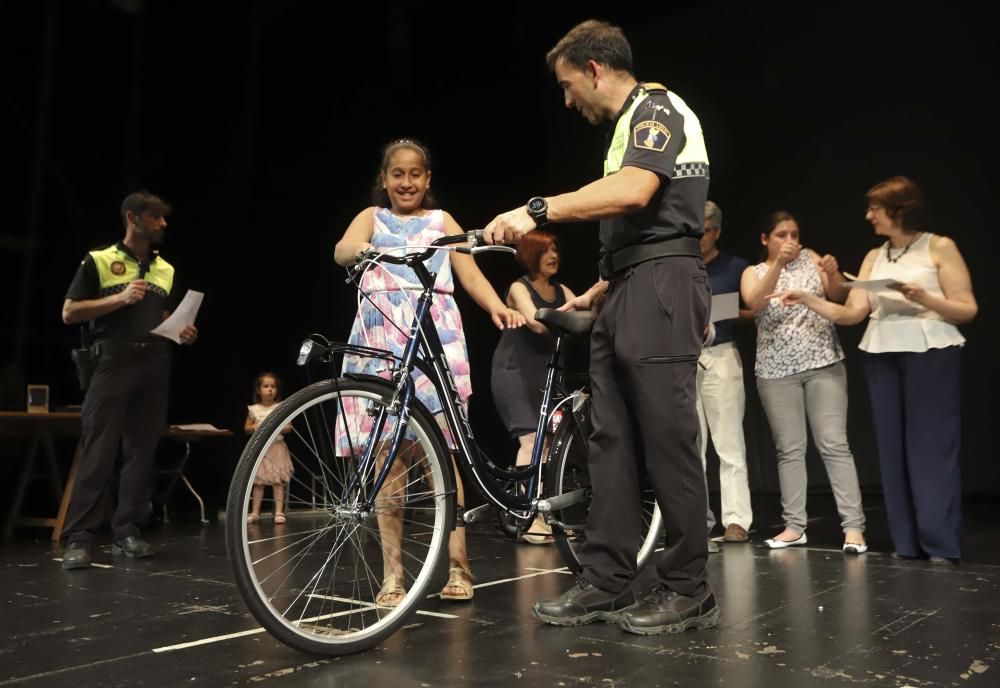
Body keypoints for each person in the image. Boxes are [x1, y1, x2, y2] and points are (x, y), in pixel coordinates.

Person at [484, 20, 719, 635]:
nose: (567, 100)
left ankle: (689, 588)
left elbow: (637, 192)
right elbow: (631, 215)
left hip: (664, 287)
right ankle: (607, 580)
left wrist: (535, 210)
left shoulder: (658, 108)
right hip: (629, 288)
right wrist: (603, 287)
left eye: (568, 85)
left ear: (594, 69)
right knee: (608, 440)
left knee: (668, 439)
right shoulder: (626, 130)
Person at [333, 138, 525, 603]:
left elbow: (470, 272)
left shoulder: (441, 223)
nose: (406, 182)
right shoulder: (372, 218)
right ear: (385, 178)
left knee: (441, 457)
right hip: (381, 344)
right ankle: (393, 577)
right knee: (387, 460)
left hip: (434, 341)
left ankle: (460, 569)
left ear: (428, 178)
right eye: (397, 174)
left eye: (415, 174)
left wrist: (498, 307)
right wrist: (364, 252)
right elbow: (343, 249)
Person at [769, 177, 976, 565]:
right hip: (882, 352)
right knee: (892, 450)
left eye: (875, 210)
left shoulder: (939, 246)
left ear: (898, 210)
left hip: (930, 350)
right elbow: (851, 313)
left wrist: (924, 296)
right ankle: (908, 542)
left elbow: (967, 308)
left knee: (930, 449)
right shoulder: (873, 256)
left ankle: (940, 544)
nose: (868, 216)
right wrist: (808, 298)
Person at [60, 191, 198, 570]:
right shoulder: (100, 260)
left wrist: (181, 331)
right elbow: (70, 312)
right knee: (99, 450)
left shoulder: (164, 268)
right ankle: (79, 538)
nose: (163, 224)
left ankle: (129, 531)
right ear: (132, 218)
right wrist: (119, 299)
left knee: (141, 451)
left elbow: (162, 316)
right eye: (156, 217)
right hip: (112, 362)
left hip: (154, 362)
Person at [740, 211, 867, 553]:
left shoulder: (811, 259)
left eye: (795, 234)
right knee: (790, 449)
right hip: (775, 370)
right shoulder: (753, 272)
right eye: (782, 234)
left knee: (834, 444)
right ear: (766, 240)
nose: (791, 240)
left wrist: (832, 273)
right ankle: (794, 526)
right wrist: (778, 266)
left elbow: (840, 296)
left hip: (823, 362)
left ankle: (853, 528)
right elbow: (753, 304)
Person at [490, 229, 575, 545]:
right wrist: (574, 313)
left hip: (548, 372)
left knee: (550, 445)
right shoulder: (518, 287)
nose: (553, 255)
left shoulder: (563, 291)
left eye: (555, 249)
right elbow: (537, 321)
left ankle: (541, 513)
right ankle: (530, 518)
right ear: (530, 255)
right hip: (515, 372)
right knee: (531, 440)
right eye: (545, 251)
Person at [698, 201, 754, 547]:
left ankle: (736, 520)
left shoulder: (735, 267)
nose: (698, 237)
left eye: (703, 231)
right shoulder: (682, 267)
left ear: (716, 232)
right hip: (685, 359)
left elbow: (754, 309)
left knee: (729, 444)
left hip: (721, 356)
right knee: (691, 447)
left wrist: (719, 310)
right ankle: (696, 519)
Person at [243, 372, 293, 524]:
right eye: (266, 386)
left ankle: (279, 511)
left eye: (273, 386)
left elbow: (289, 427)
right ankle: (255, 512)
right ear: (258, 390)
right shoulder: (254, 409)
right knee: (258, 483)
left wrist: (280, 427)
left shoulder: (280, 407)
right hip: (260, 450)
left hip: (276, 449)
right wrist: (255, 427)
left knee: (278, 482)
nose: (270, 389)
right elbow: (246, 428)